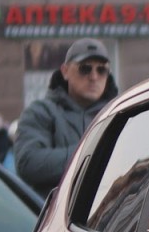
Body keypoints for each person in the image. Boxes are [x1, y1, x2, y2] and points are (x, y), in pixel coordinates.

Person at [13, 38, 119, 193]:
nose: (94, 76)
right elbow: (28, 163)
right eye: (85, 68)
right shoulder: (40, 111)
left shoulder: (119, 115)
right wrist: (93, 152)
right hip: (58, 214)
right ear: (65, 71)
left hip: (111, 214)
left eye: (101, 70)